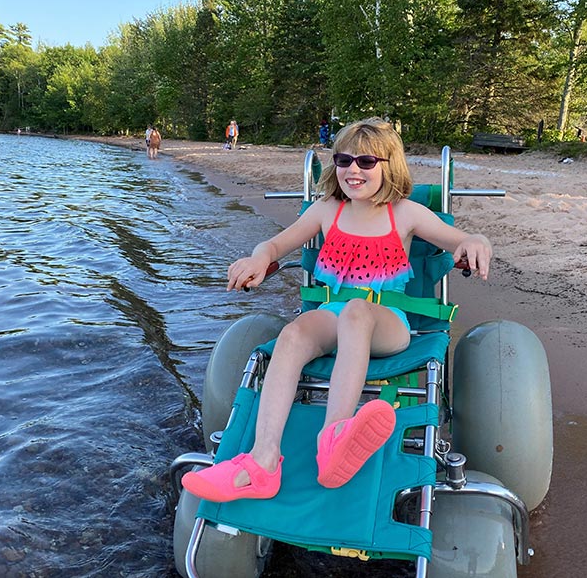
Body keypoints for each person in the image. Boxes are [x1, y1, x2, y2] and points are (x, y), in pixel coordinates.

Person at [182, 117, 492, 503]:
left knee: (356, 311)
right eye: (344, 160)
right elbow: (276, 245)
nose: (353, 170)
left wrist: (475, 241)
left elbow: (460, 239)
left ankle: (335, 438)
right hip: (334, 315)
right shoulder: (326, 210)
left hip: (386, 322)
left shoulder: (405, 213)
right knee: (293, 334)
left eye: (366, 161)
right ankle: (262, 463)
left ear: (388, 165)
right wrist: (258, 259)